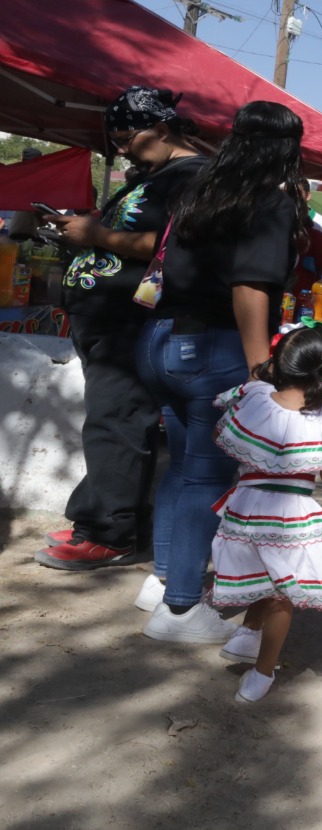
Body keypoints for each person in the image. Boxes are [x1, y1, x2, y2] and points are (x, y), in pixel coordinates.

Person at [137, 101, 306, 643]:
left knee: (184, 468)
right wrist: (260, 374)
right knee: (206, 478)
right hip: (213, 349)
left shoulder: (202, 191)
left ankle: (164, 580)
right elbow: (250, 288)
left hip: (161, 340)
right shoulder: (269, 200)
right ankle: (180, 610)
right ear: (287, 149)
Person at [35, 87, 205, 572]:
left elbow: (178, 245)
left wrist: (97, 235)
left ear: (163, 129)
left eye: (128, 139)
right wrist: (81, 231)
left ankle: (110, 534)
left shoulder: (193, 177)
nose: (123, 150)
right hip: (106, 321)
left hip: (131, 323)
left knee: (118, 419)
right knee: (112, 420)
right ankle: (103, 519)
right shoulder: (156, 174)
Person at [209, 320, 322, 702]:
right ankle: (263, 671)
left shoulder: (256, 399)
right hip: (292, 513)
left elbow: (220, 436)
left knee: (266, 574)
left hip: (247, 506)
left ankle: (249, 635)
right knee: (282, 590)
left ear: (278, 362)